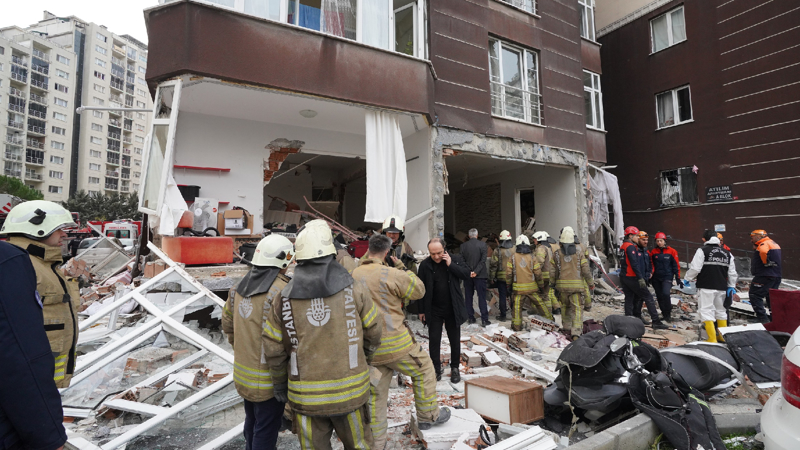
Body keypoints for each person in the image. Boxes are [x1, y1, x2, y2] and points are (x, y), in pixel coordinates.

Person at [262, 220, 382, 450]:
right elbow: (374, 332)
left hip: (305, 399)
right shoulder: (354, 288)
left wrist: (279, 385)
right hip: (351, 395)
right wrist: (363, 359)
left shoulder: (283, 297)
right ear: (332, 252)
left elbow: (273, 349)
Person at [353, 235, 450, 450]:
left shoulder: (354, 274)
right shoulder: (392, 273)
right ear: (388, 253)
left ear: (368, 250)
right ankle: (428, 416)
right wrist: (403, 268)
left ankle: (376, 444)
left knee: (376, 395)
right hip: (397, 345)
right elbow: (418, 290)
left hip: (369, 349)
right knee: (424, 368)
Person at [222, 234, 294, 450]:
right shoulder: (281, 291)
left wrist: (245, 350)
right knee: (266, 429)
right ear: (283, 260)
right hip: (270, 380)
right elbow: (287, 340)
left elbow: (228, 326)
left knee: (252, 422)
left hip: (243, 376)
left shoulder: (237, 288)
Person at [0, 200, 80, 387]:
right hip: (29, 377)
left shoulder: (44, 263)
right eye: (58, 228)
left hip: (43, 377)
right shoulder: (22, 265)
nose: (64, 234)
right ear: (37, 228)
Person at [0, 241, 68, 450]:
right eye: (58, 230)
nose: (64, 235)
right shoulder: (7, 260)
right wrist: (50, 437)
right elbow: (19, 358)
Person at [417, 237, 471, 383]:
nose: (435, 256)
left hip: (452, 308)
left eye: (439, 253)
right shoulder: (424, 265)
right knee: (434, 340)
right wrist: (421, 310)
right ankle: (435, 368)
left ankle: (455, 368)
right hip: (433, 309)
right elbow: (420, 289)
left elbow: (466, 274)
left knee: (454, 340)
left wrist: (451, 265)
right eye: (432, 253)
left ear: (444, 249)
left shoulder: (456, 259)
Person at [684, 230, 737, 342]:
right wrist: (731, 285)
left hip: (706, 286)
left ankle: (712, 339)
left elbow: (695, 268)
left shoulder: (702, 250)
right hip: (722, 287)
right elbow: (732, 272)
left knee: (706, 310)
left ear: (704, 239)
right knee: (721, 311)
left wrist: (687, 278)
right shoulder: (727, 253)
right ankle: (722, 337)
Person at [619, 226, 667, 329]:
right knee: (648, 297)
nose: (638, 238)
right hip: (632, 277)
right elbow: (634, 264)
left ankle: (629, 321)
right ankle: (656, 321)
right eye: (636, 236)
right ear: (630, 236)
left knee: (629, 298)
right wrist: (640, 278)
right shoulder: (631, 247)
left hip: (624, 277)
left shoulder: (622, 246)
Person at [551, 227, 594, 339]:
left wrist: (552, 283)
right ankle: (576, 332)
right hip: (576, 289)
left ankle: (566, 328)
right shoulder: (579, 253)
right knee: (577, 310)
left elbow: (552, 271)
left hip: (562, 288)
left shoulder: (556, 254)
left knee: (565, 307)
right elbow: (585, 269)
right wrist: (590, 282)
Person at [505, 235, 549, 331]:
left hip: (518, 290)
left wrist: (508, 285)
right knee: (541, 304)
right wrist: (541, 285)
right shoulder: (532, 257)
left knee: (517, 308)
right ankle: (550, 321)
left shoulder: (512, 258)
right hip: (532, 289)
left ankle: (517, 327)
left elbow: (508, 273)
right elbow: (538, 273)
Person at [748, 230, 782, 323]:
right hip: (776, 275)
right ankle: (774, 318)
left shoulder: (763, 244)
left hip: (764, 275)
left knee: (754, 295)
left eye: (752, 238)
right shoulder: (774, 243)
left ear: (758, 236)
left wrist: (765, 262)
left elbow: (763, 252)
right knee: (771, 297)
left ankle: (762, 318)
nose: (751, 240)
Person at [649, 232, 682, 322]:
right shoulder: (653, 252)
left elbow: (676, 265)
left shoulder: (672, 251)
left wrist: (678, 278)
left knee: (666, 294)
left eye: (661, 240)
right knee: (659, 296)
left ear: (665, 241)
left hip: (667, 277)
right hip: (656, 278)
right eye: (657, 241)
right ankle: (664, 314)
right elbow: (651, 265)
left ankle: (668, 313)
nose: (659, 242)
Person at [460, 228, 490, 325]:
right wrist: (476, 272)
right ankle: (484, 319)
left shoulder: (463, 246)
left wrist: (470, 271)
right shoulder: (483, 245)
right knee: (481, 297)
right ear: (477, 235)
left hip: (468, 275)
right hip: (480, 275)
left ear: (469, 236)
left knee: (468, 296)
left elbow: (462, 261)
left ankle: (471, 318)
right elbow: (483, 260)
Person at [488, 230, 514, 321]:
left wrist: (491, 278)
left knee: (502, 296)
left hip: (501, 278)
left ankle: (503, 316)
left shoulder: (497, 250)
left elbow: (493, 265)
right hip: (513, 278)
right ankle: (515, 315)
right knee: (513, 296)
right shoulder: (514, 249)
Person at [533, 231, 561, 314]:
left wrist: (535, 273)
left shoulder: (541, 248)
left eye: (534, 239)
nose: (533, 241)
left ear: (539, 239)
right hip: (549, 275)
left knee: (540, 294)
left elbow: (539, 262)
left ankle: (543, 312)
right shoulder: (548, 247)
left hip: (543, 276)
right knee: (548, 294)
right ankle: (553, 310)